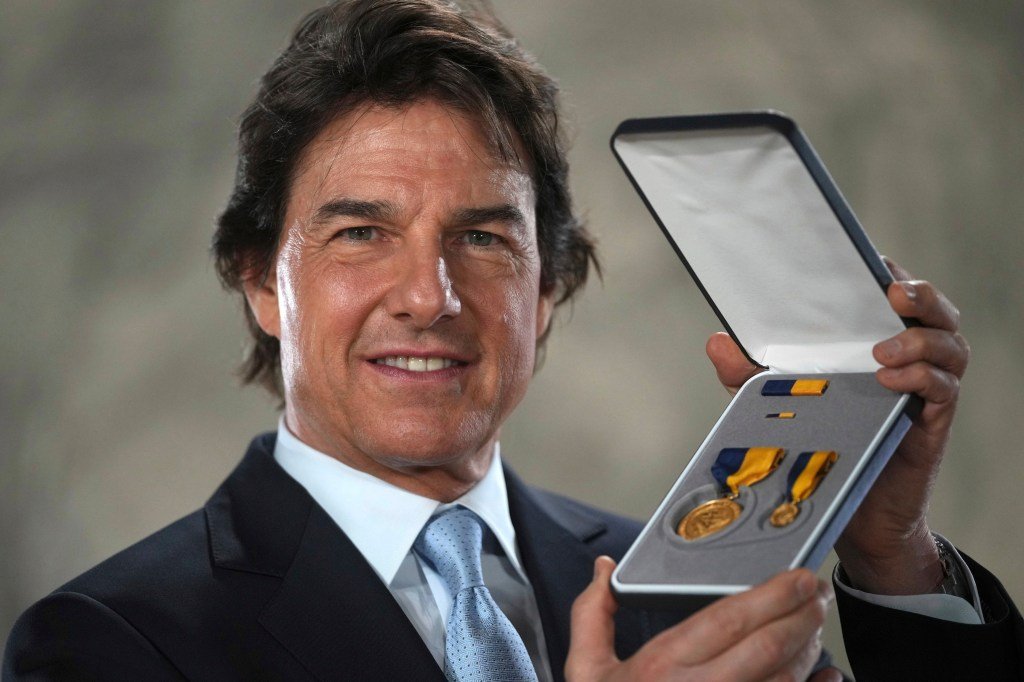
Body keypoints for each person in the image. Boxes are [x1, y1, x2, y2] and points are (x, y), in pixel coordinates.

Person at [4, 1, 1021, 680]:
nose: (430, 296)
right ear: (260, 282)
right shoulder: (106, 643)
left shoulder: (693, 592)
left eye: (483, 238)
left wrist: (890, 554)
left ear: (547, 290)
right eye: (361, 233)